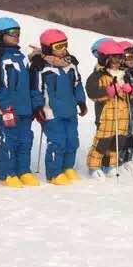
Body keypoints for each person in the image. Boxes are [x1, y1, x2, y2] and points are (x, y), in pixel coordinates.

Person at [0, 16, 42, 189]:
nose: (16, 36)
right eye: (11, 33)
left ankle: (23, 171)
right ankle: (8, 174)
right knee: (9, 140)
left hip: (25, 108)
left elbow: (32, 83)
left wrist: (35, 105)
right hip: (7, 109)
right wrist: (6, 107)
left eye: (18, 32)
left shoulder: (21, 56)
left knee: (26, 140)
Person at [30, 28, 86, 185]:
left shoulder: (70, 64)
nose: (63, 50)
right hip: (51, 112)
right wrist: (38, 107)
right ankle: (54, 173)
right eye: (58, 47)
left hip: (70, 110)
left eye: (64, 45)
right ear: (48, 48)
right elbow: (36, 90)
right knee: (58, 141)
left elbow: (77, 84)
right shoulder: (41, 67)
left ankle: (68, 167)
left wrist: (81, 101)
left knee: (72, 141)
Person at [86, 41, 133, 177]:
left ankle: (110, 165)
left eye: (119, 58)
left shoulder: (123, 74)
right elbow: (91, 91)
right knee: (103, 141)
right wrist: (107, 91)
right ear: (104, 59)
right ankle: (94, 166)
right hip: (106, 116)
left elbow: (131, 94)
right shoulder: (98, 75)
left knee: (117, 141)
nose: (117, 62)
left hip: (122, 115)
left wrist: (130, 90)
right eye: (113, 58)